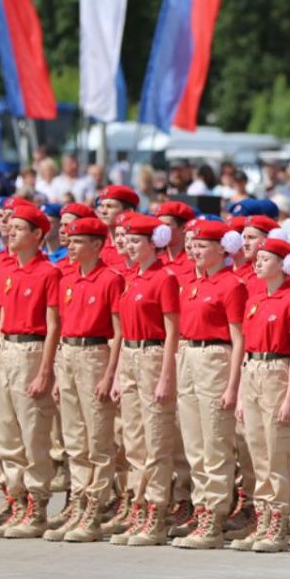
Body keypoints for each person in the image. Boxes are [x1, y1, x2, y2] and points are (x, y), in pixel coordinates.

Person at [42, 217, 124, 543]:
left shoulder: (110, 279)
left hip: (95, 354)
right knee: (74, 438)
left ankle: (95, 505)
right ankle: (77, 501)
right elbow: (61, 325)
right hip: (69, 354)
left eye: (78, 241)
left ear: (96, 245)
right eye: (70, 241)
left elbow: (118, 334)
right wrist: (59, 373)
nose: (71, 246)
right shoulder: (67, 279)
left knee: (98, 438)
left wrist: (109, 374)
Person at [0, 204, 61, 539]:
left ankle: (37, 505)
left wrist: (46, 370)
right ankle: (15, 499)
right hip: (7, 350)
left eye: (19, 228)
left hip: (32, 349)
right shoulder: (8, 270)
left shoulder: (48, 272)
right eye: (10, 227)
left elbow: (53, 325)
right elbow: (0, 318)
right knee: (5, 433)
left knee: (33, 432)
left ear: (37, 235)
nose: (11, 232)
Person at [172, 220, 247, 550]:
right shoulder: (190, 285)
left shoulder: (231, 285)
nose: (195, 251)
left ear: (222, 248)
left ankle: (214, 516)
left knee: (216, 441)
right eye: (194, 245)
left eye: (203, 246)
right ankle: (201, 508)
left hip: (216, 358)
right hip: (189, 356)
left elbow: (239, 339)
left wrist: (233, 385)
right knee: (194, 444)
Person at [231, 237, 290, 553]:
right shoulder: (254, 299)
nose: (258, 263)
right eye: (258, 258)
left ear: (283, 264)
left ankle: (278, 518)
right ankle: (262, 515)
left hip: (278, 371)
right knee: (258, 452)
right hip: (253, 371)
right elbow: (247, 346)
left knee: (278, 452)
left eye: (265, 258)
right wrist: (239, 394)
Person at [109, 215, 182, 547]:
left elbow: (172, 332)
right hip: (131, 355)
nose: (129, 245)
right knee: (134, 439)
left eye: (137, 240)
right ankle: (138, 505)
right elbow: (122, 331)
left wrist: (166, 375)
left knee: (156, 439)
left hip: (153, 355)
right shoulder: (130, 278)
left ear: (154, 243)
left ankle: (155, 509)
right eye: (126, 239)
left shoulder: (163, 278)